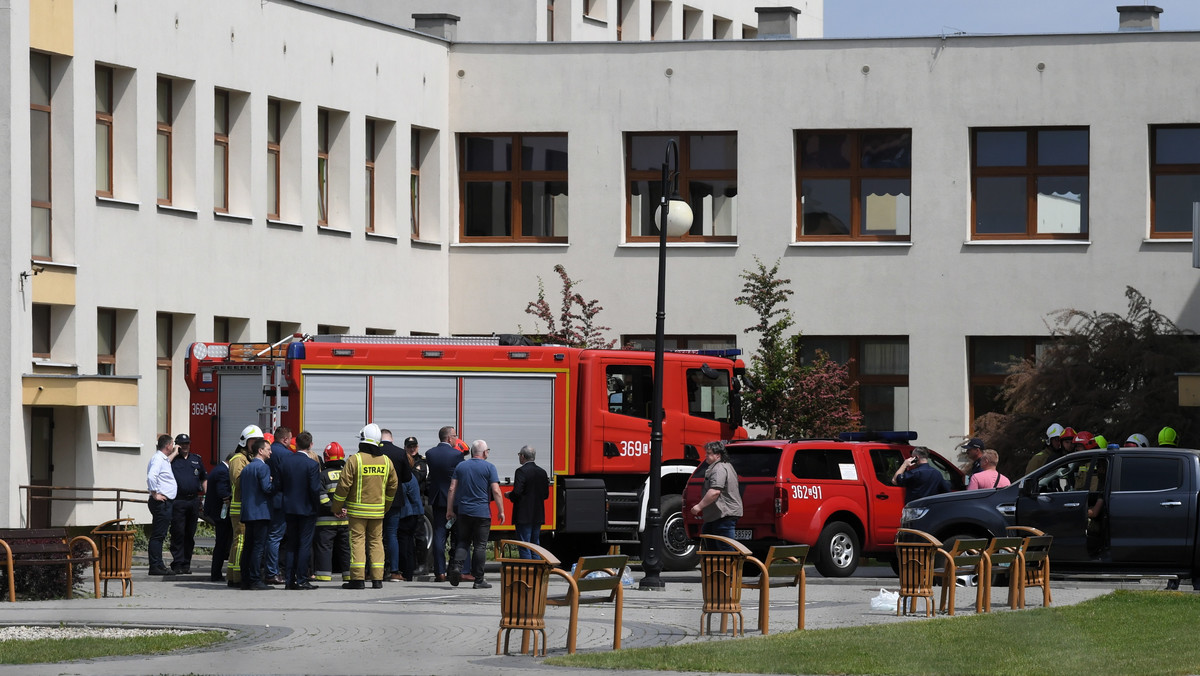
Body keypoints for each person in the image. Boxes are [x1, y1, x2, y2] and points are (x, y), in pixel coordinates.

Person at [332, 423, 400, 589]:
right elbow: (393, 486)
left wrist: (336, 507)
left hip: (357, 513)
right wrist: (386, 506)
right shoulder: (386, 461)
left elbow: (343, 486)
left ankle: (358, 580)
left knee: (357, 543)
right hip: (378, 512)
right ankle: (377, 580)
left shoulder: (355, 460)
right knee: (376, 543)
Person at [447, 440, 504, 589]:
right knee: (480, 546)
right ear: (484, 452)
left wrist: (449, 509)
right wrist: (501, 511)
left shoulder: (461, 466)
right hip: (482, 513)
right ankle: (479, 580)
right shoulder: (490, 467)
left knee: (463, 541)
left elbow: (452, 488)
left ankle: (457, 568)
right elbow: (496, 490)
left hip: (464, 511)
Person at [280, 430, 326, 590]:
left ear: (296, 444)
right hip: (307, 509)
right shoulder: (312, 464)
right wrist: (316, 507)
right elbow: (314, 489)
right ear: (310, 445)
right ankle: (301, 579)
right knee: (304, 545)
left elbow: (280, 486)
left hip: (289, 508)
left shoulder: (286, 462)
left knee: (291, 544)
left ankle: (289, 580)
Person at [226, 424, 264, 588]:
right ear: (245, 441)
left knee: (242, 542)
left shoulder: (248, 459)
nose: (255, 443)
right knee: (240, 542)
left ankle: (238, 574)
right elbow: (238, 481)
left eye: (258, 441)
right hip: (239, 508)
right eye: (253, 440)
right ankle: (236, 576)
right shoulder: (238, 460)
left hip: (246, 508)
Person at [425, 426, 464, 582]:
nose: (456, 439)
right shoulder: (457, 455)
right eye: (455, 436)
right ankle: (453, 569)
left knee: (439, 535)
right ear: (449, 438)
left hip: (437, 499)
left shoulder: (430, 454)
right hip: (453, 500)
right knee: (456, 535)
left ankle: (439, 572)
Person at [688, 441, 743, 550]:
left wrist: (699, 506)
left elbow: (715, 492)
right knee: (709, 542)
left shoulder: (719, 469)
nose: (706, 456)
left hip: (723, 514)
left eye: (709, 453)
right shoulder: (726, 466)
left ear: (718, 455)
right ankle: (714, 566)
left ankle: (727, 567)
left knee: (725, 549)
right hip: (717, 515)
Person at [239, 438, 276, 590]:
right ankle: (255, 579)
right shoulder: (263, 468)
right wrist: (275, 483)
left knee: (248, 546)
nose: (270, 452)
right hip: (261, 512)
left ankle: (246, 579)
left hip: (248, 512)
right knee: (258, 547)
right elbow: (267, 489)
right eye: (268, 449)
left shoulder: (247, 468)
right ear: (260, 451)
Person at [313, 441, 352, 584]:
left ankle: (324, 576)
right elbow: (352, 495)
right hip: (345, 519)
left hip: (326, 520)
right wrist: (345, 509)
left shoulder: (322, 475)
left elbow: (321, 498)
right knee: (346, 548)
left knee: (324, 548)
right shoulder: (347, 474)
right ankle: (348, 576)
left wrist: (334, 509)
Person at [168, 433, 207, 575]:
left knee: (189, 534)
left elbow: (203, 478)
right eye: (182, 444)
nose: (185, 446)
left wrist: (205, 495)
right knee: (178, 532)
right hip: (178, 501)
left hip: (193, 501)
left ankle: (186, 564)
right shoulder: (172, 460)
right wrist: (174, 453)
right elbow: (163, 465)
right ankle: (177, 563)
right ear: (177, 445)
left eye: (187, 444)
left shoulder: (196, 459)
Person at [379, 429, 413, 581]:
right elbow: (407, 477)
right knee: (392, 534)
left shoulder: (375, 452)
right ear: (391, 438)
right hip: (394, 499)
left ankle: (374, 570)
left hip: (376, 500)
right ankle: (394, 571)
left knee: (375, 536)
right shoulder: (400, 453)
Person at [263, 426, 294, 586]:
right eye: (289, 439)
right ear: (285, 439)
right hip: (281, 500)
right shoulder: (287, 455)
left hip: (267, 500)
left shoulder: (267, 451)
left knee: (269, 536)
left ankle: (268, 570)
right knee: (275, 537)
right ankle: (272, 572)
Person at [507, 445, 550, 558]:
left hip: (523, 515)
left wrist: (509, 495)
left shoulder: (521, 471)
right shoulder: (542, 472)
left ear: (523, 456)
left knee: (524, 544)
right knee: (535, 544)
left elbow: (517, 492)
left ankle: (527, 572)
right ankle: (536, 572)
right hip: (537, 515)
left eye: (519, 455)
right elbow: (546, 495)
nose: (519, 457)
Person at [145, 434, 178, 576]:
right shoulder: (158, 459)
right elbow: (151, 476)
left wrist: (175, 453)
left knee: (160, 534)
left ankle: (158, 564)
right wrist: (154, 494)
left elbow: (166, 464)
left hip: (165, 503)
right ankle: (155, 566)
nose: (174, 446)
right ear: (168, 445)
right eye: (173, 444)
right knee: (158, 535)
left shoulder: (162, 459)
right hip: (161, 503)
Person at [202, 452, 233, 582]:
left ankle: (216, 573)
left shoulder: (219, 469)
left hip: (217, 512)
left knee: (222, 543)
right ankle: (216, 574)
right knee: (221, 543)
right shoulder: (223, 472)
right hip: (221, 514)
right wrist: (232, 499)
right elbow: (223, 493)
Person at [394, 459, 424, 581]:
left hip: (406, 514)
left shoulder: (405, 478)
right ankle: (409, 572)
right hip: (415, 513)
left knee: (403, 543)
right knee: (410, 544)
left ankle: (405, 572)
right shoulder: (412, 476)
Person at [404, 436, 430, 575]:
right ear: (405, 448)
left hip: (417, 503)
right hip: (405, 503)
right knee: (407, 536)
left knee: (419, 536)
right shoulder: (403, 461)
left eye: (414, 446)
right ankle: (410, 564)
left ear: (418, 447)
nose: (412, 449)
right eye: (409, 446)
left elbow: (414, 477)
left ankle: (422, 565)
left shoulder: (421, 463)